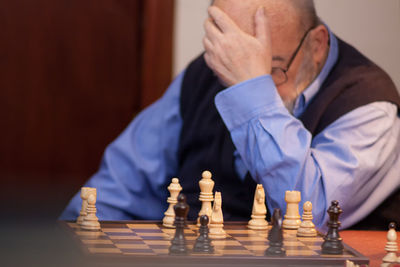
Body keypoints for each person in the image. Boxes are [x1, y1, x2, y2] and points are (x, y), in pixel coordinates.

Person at [61, 0, 400, 230]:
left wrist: (252, 89)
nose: (235, 78)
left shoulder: (369, 105)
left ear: (317, 44)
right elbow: (120, 186)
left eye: (273, 69)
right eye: (231, 63)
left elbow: (309, 216)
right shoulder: (204, 75)